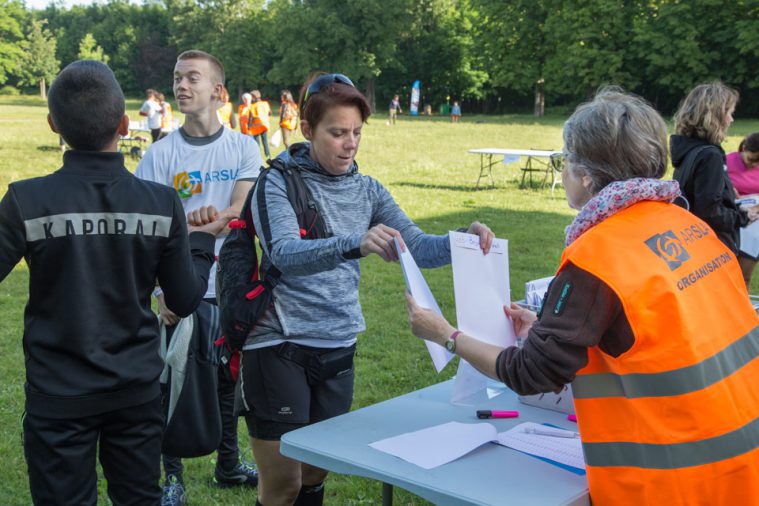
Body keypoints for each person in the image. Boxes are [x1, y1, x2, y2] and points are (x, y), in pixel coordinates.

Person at [406, 88, 759, 505]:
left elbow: (530, 374)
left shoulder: (597, 255)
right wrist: (551, 328)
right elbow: (664, 333)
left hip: (669, 478)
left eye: (564, 160)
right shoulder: (687, 225)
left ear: (587, 174)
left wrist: (446, 334)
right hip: (737, 455)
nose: (562, 172)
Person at [243, 72, 494, 506]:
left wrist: (463, 239)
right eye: (337, 133)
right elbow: (283, 253)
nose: (350, 143)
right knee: (283, 485)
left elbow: (416, 248)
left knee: (316, 472)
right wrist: (353, 243)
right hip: (279, 346)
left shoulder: (368, 189)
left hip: (338, 344)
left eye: (357, 132)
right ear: (307, 129)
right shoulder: (277, 182)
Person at [0, 60, 230, 505]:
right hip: (135, 390)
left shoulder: (26, 201)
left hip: (58, 393)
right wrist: (201, 243)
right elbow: (183, 299)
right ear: (126, 125)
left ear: (54, 126)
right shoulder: (161, 203)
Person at [136, 49, 262, 506]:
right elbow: (146, 231)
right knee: (171, 383)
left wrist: (191, 224)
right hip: (178, 291)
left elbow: (240, 213)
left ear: (218, 91)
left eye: (193, 78)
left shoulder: (244, 147)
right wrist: (159, 290)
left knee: (229, 380)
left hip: (228, 288)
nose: (181, 86)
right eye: (177, 78)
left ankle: (228, 465)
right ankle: (172, 478)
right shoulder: (159, 154)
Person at [671, 82, 756, 256]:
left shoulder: (688, 150)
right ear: (715, 115)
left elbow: (701, 199)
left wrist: (729, 197)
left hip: (691, 241)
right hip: (712, 247)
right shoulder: (710, 156)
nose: (731, 120)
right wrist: (743, 217)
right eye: (729, 113)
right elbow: (709, 212)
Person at [727, 132, 759, 286]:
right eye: (752, 159)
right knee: (732, 275)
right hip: (734, 220)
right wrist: (728, 190)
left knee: (744, 276)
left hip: (755, 223)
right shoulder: (727, 162)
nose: (754, 165)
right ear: (744, 148)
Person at [249, 89, 271, 159]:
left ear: (253, 97)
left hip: (256, 127)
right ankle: (268, 155)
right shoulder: (265, 103)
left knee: (257, 142)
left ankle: (258, 156)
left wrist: (249, 126)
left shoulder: (252, 106)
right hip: (265, 125)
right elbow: (270, 112)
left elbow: (250, 118)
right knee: (265, 141)